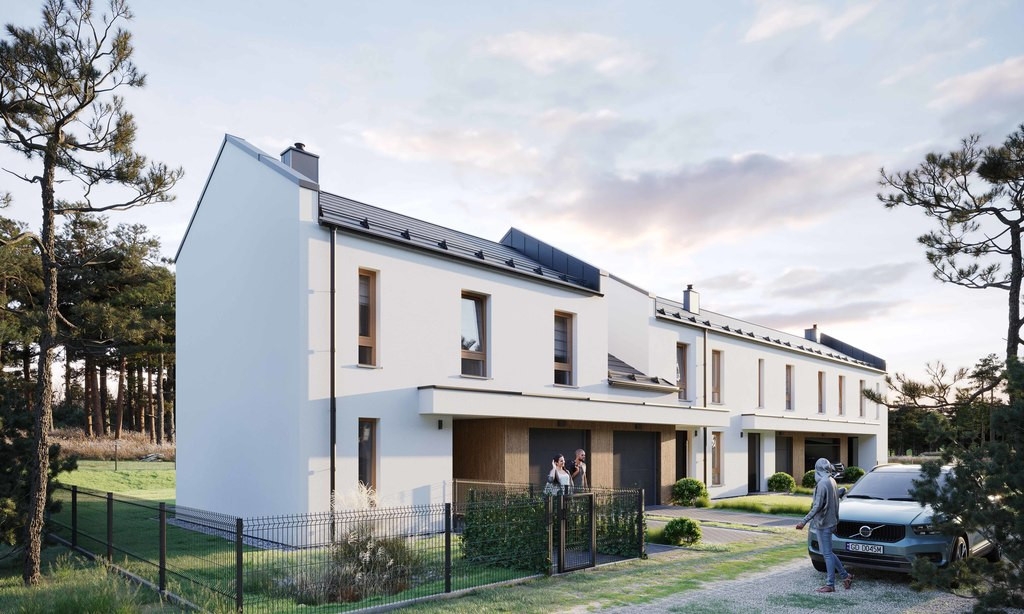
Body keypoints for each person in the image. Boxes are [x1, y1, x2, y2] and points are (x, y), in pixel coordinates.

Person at [796, 458, 853, 593]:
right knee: (828, 553)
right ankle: (845, 575)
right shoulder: (832, 480)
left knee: (826, 554)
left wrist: (804, 521)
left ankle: (830, 584)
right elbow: (836, 499)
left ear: (817, 469)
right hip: (831, 522)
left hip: (824, 523)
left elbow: (817, 506)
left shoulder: (822, 483)